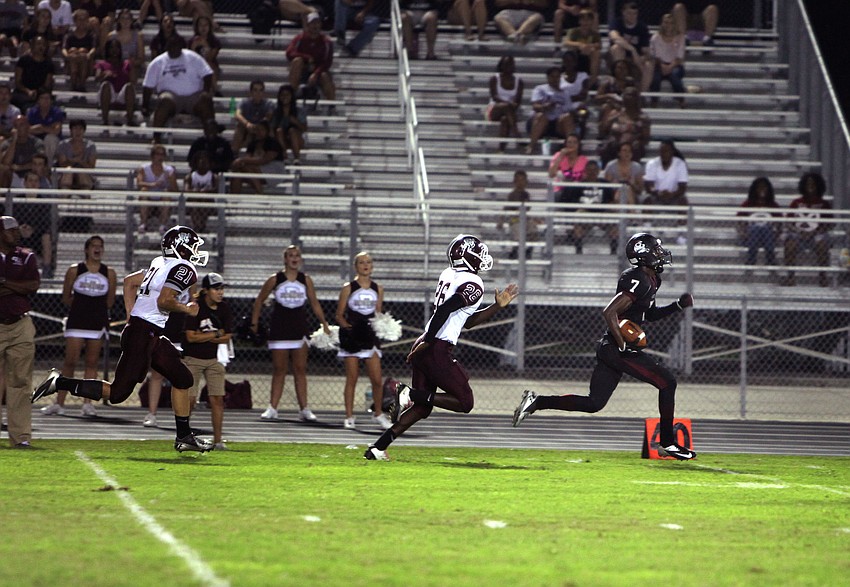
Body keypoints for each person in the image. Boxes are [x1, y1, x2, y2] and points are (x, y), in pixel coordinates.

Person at [512, 232, 696, 461]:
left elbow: (649, 314)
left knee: (593, 403)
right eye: (655, 250)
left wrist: (677, 306)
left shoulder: (652, 280)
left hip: (613, 348)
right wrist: (622, 346)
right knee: (667, 382)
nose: (660, 254)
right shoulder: (637, 279)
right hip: (617, 348)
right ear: (643, 255)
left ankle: (537, 401)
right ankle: (668, 443)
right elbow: (609, 312)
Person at [32, 225, 214, 453]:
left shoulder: (160, 263)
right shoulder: (184, 268)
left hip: (148, 332)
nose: (195, 251)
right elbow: (164, 301)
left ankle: (184, 437)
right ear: (181, 247)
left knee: (183, 378)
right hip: (143, 334)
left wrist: (132, 314)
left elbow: (129, 281)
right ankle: (60, 382)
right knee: (117, 394)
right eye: (193, 246)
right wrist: (187, 309)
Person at [364, 234, 519, 460]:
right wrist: (428, 343)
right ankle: (408, 393)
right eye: (478, 252)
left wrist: (496, 306)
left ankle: (378, 448)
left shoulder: (448, 274)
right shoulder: (474, 283)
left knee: (422, 407)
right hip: (435, 346)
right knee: (465, 402)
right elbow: (445, 310)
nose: (482, 256)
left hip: (428, 341)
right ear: (468, 257)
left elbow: (466, 321)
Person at [251, 244, 330, 422]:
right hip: (279, 328)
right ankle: (272, 408)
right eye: (291, 255)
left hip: (299, 328)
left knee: (300, 369)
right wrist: (254, 323)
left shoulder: (305, 280)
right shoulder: (275, 279)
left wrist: (324, 323)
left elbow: (315, 303)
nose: (294, 258)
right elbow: (259, 301)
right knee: (279, 369)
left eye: (297, 255)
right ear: (285, 259)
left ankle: (304, 409)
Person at [40, 235, 116, 417]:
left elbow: (110, 301)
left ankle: (87, 404)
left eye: (100, 246)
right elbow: (66, 297)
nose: (97, 249)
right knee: (70, 362)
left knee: (91, 363)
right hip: (77, 321)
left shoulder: (109, 273)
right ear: (86, 249)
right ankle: (59, 403)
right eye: (94, 246)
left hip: (97, 323)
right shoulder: (75, 270)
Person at [335, 252, 392, 430]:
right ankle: (349, 416)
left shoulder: (378, 288)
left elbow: (378, 314)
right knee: (352, 378)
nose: (365, 265)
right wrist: (350, 330)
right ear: (356, 266)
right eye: (361, 262)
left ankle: (378, 414)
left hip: (370, 338)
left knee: (376, 379)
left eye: (368, 262)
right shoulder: (348, 288)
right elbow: (339, 315)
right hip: (353, 339)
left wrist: (383, 326)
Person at [0, 216, 40, 448]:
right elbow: (23, 286)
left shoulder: (26, 256)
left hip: (20, 324)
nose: (17, 234)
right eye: (11, 230)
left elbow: (32, 285)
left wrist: (5, 284)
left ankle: (21, 437)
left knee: (21, 382)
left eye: (17, 230)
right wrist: (16, 287)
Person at [183, 272, 233, 450]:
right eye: (216, 289)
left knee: (217, 399)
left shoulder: (224, 308)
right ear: (206, 291)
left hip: (213, 358)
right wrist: (214, 334)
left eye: (221, 289)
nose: (220, 292)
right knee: (189, 399)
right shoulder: (196, 307)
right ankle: (184, 436)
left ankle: (218, 440)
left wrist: (204, 337)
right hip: (193, 358)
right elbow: (190, 337)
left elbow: (227, 336)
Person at [142, 35, 215, 143]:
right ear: (166, 47)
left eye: (176, 46)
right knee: (164, 101)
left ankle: (212, 139)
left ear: (181, 47)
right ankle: (156, 137)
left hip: (193, 95)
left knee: (205, 102)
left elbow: (207, 74)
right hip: (171, 96)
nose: (174, 49)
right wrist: (145, 105)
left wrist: (205, 91)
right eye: (171, 46)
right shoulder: (157, 63)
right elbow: (148, 86)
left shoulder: (192, 57)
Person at [781, 171, 833, 287]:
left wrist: (816, 232)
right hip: (798, 234)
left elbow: (829, 223)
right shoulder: (796, 202)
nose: (810, 186)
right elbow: (788, 222)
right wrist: (798, 231)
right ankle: (790, 276)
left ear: (818, 185)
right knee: (790, 244)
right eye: (808, 183)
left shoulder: (824, 204)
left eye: (813, 184)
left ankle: (823, 276)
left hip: (817, 234)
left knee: (822, 244)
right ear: (803, 185)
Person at [285, 11, 336, 101]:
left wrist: (316, 73)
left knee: (325, 76)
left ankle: (331, 105)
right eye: (312, 23)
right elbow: (289, 53)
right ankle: (291, 95)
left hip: (318, 71)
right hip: (303, 69)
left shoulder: (326, 42)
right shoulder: (300, 38)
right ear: (308, 25)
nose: (315, 26)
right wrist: (307, 58)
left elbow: (327, 62)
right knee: (297, 61)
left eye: (317, 23)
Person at [597, 85, 650, 165]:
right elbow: (603, 131)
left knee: (635, 148)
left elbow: (646, 140)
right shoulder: (615, 113)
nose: (628, 98)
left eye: (631, 95)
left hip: (633, 147)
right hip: (615, 147)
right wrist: (611, 119)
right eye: (626, 95)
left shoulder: (643, 118)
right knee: (607, 146)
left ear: (636, 98)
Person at [526, 66, 574, 155]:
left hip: (557, 123)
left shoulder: (565, 93)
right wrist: (545, 106)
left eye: (557, 77)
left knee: (567, 117)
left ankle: (571, 148)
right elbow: (535, 105)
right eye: (553, 77)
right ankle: (531, 146)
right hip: (541, 121)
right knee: (541, 116)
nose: (555, 79)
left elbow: (569, 108)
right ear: (548, 77)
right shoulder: (540, 89)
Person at [607, 1, 652, 92]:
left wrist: (642, 57)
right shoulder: (617, 22)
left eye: (634, 13)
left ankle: (642, 93)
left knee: (649, 64)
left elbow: (645, 49)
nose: (632, 16)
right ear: (623, 13)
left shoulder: (642, 27)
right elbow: (614, 37)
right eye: (629, 13)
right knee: (617, 48)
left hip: (635, 59)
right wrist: (632, 49)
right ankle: (619, 86)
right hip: (619, 57)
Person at [15, 170, 53, 277]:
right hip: (19, 234)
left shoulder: (44, 203)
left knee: (46, 237)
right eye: (30, 180)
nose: (33, 183)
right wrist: (20, 228)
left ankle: (46, 270)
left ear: (39, 184)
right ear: (25, 183)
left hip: (37, 236)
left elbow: (45, 223)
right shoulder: (16, 200)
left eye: (36, 181)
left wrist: (33, 229)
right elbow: (11, 218)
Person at [229, 121, 284, 194]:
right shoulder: (252, 143)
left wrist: (241, 160)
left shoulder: (273, 143)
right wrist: (241, 162)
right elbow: (248, 158)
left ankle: (260, 193)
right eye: (257, 130)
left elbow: (264, 160)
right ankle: (233, 200)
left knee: (246, 168)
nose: (259, 132)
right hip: (255, 170)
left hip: (273, 169)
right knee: (237, 174)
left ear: (267, 131)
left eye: (261, 130)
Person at [737, 176, 780, 268]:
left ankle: (768, 255)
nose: (762, 189)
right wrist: (743, 232)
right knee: (755, 227)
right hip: (750, 237)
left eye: (764, 187)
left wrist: (776, 232)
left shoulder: (772, 205)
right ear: (754, 189)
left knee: (764, 227)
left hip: (769, 237)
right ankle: (753, 256)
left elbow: (779, 222)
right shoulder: (748, 204)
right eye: (759, 187)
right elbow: (739, 221)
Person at [136, 143, 178, 236]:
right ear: (152, 156)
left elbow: (175, 189)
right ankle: (143, 223)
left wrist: (170, 180)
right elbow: (139, 183)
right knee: (143, 191)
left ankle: (163, 225)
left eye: (162, 154)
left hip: (162, 197)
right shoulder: (144, 168)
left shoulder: (169, 170)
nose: (160, 157)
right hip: (149, 196)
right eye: (158, 154)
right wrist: (153, 185)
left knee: (167, 194)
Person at [497, 169, 538, 259]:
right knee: (518, 230)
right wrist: (501, 220)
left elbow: (528, 208)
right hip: (515, 219)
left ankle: (529, 250)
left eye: (523, 180)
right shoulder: (512, 195)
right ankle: (515, 251)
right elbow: (506, 208)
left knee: (534, 229)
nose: (520, 183)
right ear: (514, 182)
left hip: (525, 218)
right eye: (518, 180)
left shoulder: (526, 194)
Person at [95, 37, 137, 127]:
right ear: (108, 49)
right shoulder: (102, 64)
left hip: (122, 94)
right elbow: (97, 78)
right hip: (109, 94)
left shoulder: (126, 64)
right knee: (106, 85)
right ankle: (105, 119)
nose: (114, 50)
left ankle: (130, 119)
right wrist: (104, 74)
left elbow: (133, 81)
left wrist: (132, 66)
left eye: (116, 47)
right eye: (111, 48)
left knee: (129, 86)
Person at [487, 55, 523, 153]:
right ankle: (516, 132)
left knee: (505, 119)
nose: (508, 67)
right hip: (495, 109)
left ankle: (501, 148)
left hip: (511, 111)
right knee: (506, 106)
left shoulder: (518, 81)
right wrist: (508, 103)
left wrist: (512, 105)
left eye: (510, 64)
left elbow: (518, 101)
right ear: (501, 65)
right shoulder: (495, 78)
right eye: (506, 65)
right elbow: (494, 96)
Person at [649, 13, 686, 107]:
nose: (668, 25)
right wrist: (662, 65)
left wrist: (670, 66)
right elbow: (655, 55)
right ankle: (654, 101)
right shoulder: (655, 37)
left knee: (675, 75)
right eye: (666, 22)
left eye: (671, 23)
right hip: (659, 64)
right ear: (662, 23)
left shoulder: (680, 37)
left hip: (675, 64)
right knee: (655, 78)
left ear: (674, 24)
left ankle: (681, 99)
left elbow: (680, 57)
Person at [0, 115, 45, 189]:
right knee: (3, 169)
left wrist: (20, 167)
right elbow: (6, 162)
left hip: (32, 176)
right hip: (13, 177)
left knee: (39, 168)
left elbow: (40, 162)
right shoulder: (8, 143)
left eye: (21, 125)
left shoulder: (37, 143)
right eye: (16, 126)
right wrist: (14, 140)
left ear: (28, 127)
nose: (18, 128)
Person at [231, 80, 275, 155]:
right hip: (247, 128)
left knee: (268, 128)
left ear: (263, 92)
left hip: (261, 128)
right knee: (240, 127)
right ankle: (234, 152)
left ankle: (271, 152)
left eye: (261, 90)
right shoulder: (244, 102)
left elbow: (268, 116)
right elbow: (237, 114)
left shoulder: (268, 103)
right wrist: (247, 124)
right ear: (251, 92)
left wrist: (257, 127)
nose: (258, 93)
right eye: (255, 90)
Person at [11, 35, 55, 110]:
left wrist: (37, 92)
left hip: (40, 93)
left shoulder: (48, 63)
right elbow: (18, 81)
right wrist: (28, 91)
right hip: (22, 91)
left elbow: (47, 84)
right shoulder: (24, 60)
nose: (41, 47)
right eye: (38, 44)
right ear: (32, 46)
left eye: (43, 45)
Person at [563, 9, 601, 88]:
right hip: (576, 56)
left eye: (588, 20)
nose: (585, 22)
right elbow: (566, 42)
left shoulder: (595, 34)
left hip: (588, 58)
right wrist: (579, 45)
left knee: (595, 52)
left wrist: (588, 46)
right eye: (583, 20)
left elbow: (599, 45)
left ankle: (593, 80)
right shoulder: (573, 31)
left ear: (592, 21)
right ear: (579, 21)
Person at [56, 118, 97, 190]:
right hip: (66, 176)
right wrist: (73, 161)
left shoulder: (91, 146)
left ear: (84, 131)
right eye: (75, 128)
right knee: (68, 171)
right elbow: (62, 164)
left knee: (81, 171)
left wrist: (80, 162)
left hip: (85, 176)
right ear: (70, 130)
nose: (78, 132)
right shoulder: (63, 145)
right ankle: (64, 198)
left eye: (80, 129)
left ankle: (86, 197)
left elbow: (91, 166)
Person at [270, 83, 307, 164]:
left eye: (287, 95)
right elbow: (272, 128)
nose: (285, 97)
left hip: (297, 139)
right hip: (282, 140)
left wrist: (295, 121)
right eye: (282, 95)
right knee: (279, 131)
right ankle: (284, 156)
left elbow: (304, 129)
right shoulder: (276, 112)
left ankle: (297, 157)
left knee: (292, 131)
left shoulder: (299, 110)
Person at [62, 9, 97, 93]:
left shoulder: (91, 35)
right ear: (75, 21)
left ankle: (80, 82)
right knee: (73, 50)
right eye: (79, 20)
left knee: (82, 51)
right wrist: (67, 55)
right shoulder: (69, 35)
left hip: (86, 63)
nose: (82, 22)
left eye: (84, 20)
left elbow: (94, 48)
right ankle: (74, 80)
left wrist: (88, 55)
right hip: (71, 62)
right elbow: (64, 48)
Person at [25, 89, 64, 166]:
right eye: (42, 98)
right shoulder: (32, 112)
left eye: (47, 98)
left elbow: (56, 130)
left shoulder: (56, 112)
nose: (45, 100)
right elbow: (27, 130)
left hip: (53, 142)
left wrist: (41, 128)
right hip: (35, 140)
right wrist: (49, 128)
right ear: (38, 100)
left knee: (50, 138)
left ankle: (47, 166)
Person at [548, 132, 588, 203]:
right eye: (569, 142)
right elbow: (551, 174)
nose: (571, 145)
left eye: (574, 142)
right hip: (561, 190)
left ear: (578, 145)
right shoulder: (558, 155)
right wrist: (561, 155)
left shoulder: (584, 160)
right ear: (565, 144)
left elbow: (586, 178)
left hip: (577, 190)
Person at [603, 141, 643, 208]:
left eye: (629, 151)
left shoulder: (637, 167)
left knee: (627, 189)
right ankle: (631, 213)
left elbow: (640, 189)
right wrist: (615, 184)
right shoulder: (611, 166)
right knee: (623, 190)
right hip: (615, 194)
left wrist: (632, 184)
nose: (627, 153)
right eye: (624, 150)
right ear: (619, 153)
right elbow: (606, 188)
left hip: (634, 195)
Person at [184, 150, 217, 232]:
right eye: (201, 160)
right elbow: (186, 190)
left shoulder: (213, 177)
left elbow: (216, 190)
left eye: (206, 161)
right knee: (195, 201)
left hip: (208, 203)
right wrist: (196, 191)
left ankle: (201, 225)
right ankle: (197, 226)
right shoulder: (190, 176)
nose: (203, 163)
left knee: (203, 200)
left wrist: (206, 191)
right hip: (193, 202)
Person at [107, 9, 144, 80]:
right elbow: (107, 56)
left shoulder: (138, 36)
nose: (125, 21)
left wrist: (131, 62)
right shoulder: (111, 36)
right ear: (118, 20)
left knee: (131, 68)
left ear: (132, 20)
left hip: (133, 66)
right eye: (122, 18)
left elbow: (141, 58)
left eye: (128, 18)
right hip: (116, 64)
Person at [189, 15, 222, 94]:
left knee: (208, 65)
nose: (203, 28)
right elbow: (189, 59)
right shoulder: (192, 41)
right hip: (195, 66)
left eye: (205, 25)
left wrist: (206, 45)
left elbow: (211, 57)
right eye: (201, 25)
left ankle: (215, 90)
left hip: (210, 65)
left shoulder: (214, 41)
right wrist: (193, 47)